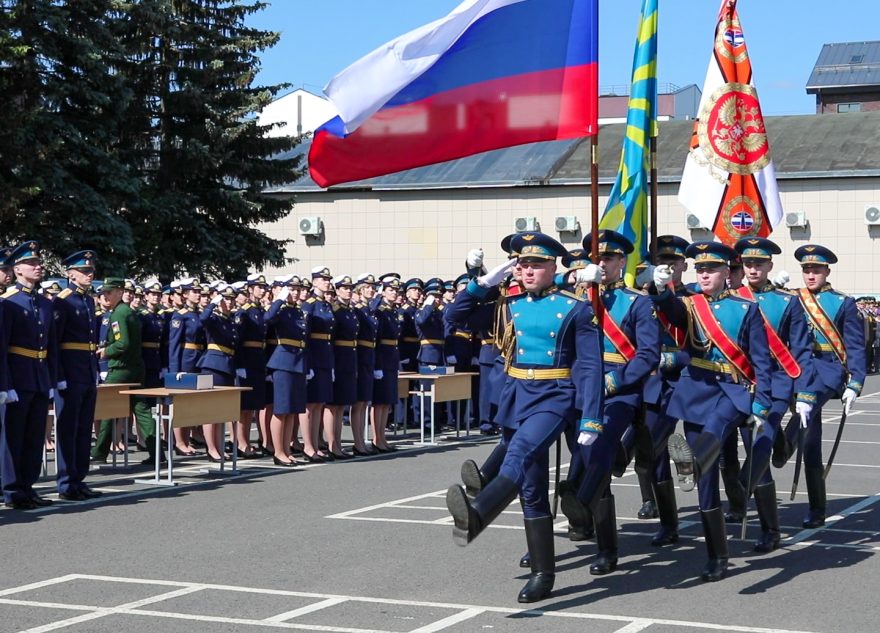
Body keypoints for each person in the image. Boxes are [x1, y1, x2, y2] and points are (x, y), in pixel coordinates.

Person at [445, 232, 604, 603]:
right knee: (531, 491)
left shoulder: (575, 307)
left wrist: (592, 417)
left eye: (536, 264)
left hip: (555, 396)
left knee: (518, 455)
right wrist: (482, 283)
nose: (527, 270)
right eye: (522, 264)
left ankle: (478, 513)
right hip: (517, 395)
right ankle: (543, 574)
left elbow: (591, 367)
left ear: (553, 267)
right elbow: (454, 316)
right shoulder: (507, 304)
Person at [653, 241, 773, 582]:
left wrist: (763, 402)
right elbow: (673, 315)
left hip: (731, 391)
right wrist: (661, 291)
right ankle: (717, 556)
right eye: (699, 270)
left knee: (717, 429)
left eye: (711, 269)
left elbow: (761, 361)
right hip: (696, 389)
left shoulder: (746, 309)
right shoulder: (690, 305)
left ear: (726, 273)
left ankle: (690, 460)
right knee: (707, 482)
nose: (703, 275)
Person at [559, 230, 660, 575]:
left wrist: (615, 380)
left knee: (598, 449)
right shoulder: (574, 297)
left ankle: (606, 546)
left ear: (621, 263)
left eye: (609, 258)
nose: (602, 264)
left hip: (619, 390)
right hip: (578, 387)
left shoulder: (637, 303)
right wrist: (570, 279)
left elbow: (648, 354)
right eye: (596, 258)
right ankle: (578, 517)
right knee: (581, 454)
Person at [731, 237, 816, 551]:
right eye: (748, 263)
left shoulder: (786, 302)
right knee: (763, 448)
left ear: (769, 266)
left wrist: (805, 392)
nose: (753, 269)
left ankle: (759, 515)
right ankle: (770, 524)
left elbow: (802, 350)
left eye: (759, 264)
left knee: (759, 441)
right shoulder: (729, 299)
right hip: (740, 384)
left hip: (776, 385)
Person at [787, 244, 866, 528]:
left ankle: (785, 446)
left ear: (827, 271)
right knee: (811, 444)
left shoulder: (842, 303)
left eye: (816, 270)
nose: (810, 275)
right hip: (796, 367)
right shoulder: (791, 299)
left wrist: (855, 382)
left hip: (827, 369)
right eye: (806, 270)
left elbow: (855, 346)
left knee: (805, 425)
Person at [1, 241, 58, 509]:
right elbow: (2, 348)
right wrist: (6, 384)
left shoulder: (44, 303)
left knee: (34, 436)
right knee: (14, 437)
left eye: (39, 263)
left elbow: (50, 347)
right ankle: (12, 490)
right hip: (18, 377)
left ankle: (28, 486)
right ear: (17, 269)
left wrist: (51, 380)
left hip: (38, 377)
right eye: (32, 264)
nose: (39, 267)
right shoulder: (9, 303)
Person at [53, 251, 101, 500]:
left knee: (84, 429)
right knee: (68, 428)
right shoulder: (63, 300)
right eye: (84, 270)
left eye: (91, 270)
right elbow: (55, 341)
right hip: (70, 372)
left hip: (87, 370)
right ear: (70, 274)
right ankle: (66, 482)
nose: (89, 273)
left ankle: (79, 479)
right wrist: (59, 375)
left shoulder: (88, 300)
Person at [94, 278, 145, 466]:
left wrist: (106, 352)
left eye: (109, 292)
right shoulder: (128, 311)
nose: (105, 296)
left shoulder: (118, 314)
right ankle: (156, 452)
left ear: (119, 292)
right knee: (142, 411)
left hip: (121, 368)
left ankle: (100, 450)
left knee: (108, 408)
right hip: (136, 367)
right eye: (104, 293)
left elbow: (122, 343)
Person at [264, 277, 307, 467]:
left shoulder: (298, 311)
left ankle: (287, 450)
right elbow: (267, 319)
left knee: (292, 410)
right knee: (281, 409)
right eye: (292, 289)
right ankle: (278, 451)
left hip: (298, 360)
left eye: (298, 289)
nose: (296, 293)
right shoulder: (279, 309)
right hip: (283, 360)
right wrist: (279, 299)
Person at [167, 278, 207, 457]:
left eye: (199, 292)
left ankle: (188, 438)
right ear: (185, 295)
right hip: (186, 360)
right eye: (194, 292)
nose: (198, 295)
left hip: (199, 359)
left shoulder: (199, 314)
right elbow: (174, 345)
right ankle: (180, 442)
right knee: (181, 403)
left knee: (193, 403)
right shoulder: (180, 315)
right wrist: (175, 370)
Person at [302, 266, 336, 461]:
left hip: (325, 355)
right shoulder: (309, 304)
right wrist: (308, 363)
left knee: (318, 404)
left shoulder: (325, 304)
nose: (327, 282)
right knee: (309, 405)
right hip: (314, 356)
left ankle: (315, 443)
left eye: (328, 279)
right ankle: (308, 446)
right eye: (323, 279)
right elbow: (305, 335)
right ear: (314, 282)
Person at [234, 273, 269, 458]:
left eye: (263, 287)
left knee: (252, 407)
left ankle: (246, 442)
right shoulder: (244, 312)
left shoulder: (259, 310)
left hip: (257, 360)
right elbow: (237, 340)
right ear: (250, 289)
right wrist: (239, 364)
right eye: (258, 287)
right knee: (243, 407)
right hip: (246, 360)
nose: (262, 290)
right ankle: (241, 443)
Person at [324, 275, 359, 459]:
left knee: (340, 405)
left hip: (348, 358)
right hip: (337, 358)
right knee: (333, 405)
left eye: (350, 287)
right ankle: (332, 444)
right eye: (344, 288)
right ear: (337, 290)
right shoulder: (335, 310)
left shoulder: (349, 310)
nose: (348, 290)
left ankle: (337, 443)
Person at [135, 279, 166, 465]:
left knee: (154, 407)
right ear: (145, 296)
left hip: (155, 364)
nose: (155, 297)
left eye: (158, 294)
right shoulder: (142, 316)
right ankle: (150, 445)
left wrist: (163, 365)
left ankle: (155, 448)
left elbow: (162, 343)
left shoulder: (159, 316)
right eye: (152, 294)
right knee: (144, 407)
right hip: (144, 363)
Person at [370, 277, 403, 452]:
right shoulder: (380, 311)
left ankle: (382, 437)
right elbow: (376, 339)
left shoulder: (392, 311)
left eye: (396, 291)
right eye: (391, 290)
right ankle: (376, 438)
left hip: (391, 357)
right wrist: (377, 365)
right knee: (379, 401)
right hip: (382, 357)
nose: (395, 293)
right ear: (382, 292)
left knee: (387, 402)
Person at [351, 274, 379, 456]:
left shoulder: (368, 309)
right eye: (367, 287)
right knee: (359, 402)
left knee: (363, 402)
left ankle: (361, 440)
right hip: (359, 355)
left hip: (369, 355)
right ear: (360, 290)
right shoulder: (359, 309)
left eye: (373, 287)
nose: (372, 290)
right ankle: (357, 441)